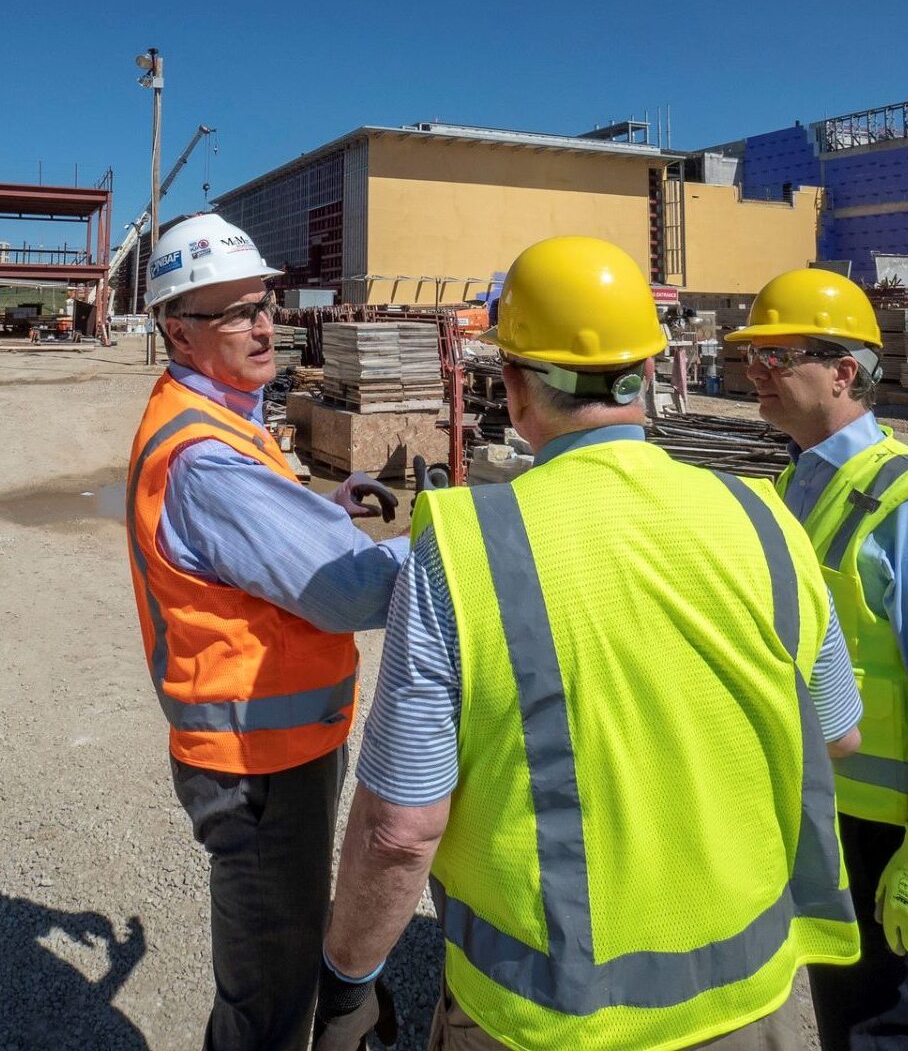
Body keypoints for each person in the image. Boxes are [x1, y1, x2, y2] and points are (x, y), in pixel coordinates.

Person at [314, 236, 865, 1051]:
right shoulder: (766, 519)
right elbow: (838, 733)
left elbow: (400, 828)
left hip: (544, 1019)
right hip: (748, 1003)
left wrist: (347, 980)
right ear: (649, 372)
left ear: (512, 383)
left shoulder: (467, 549)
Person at [124, 212, 408, 1050]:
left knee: (276, 958)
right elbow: (348, 592)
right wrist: (458, 556)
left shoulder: (220, 415)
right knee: (272, 998)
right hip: (258, 761)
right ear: (178, 328)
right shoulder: (206, 455)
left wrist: (313, 511)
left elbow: (244, 543)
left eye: (264, 305)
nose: (264, 325)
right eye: (235, 312)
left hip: (275, 744)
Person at [726, 269, 908, 1049]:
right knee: (838, 1007)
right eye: (751, 356)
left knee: (879, 1027)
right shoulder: (800, 481)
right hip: (818, 803)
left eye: (775, 357)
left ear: (843, 372)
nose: (754, 373)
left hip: (883, 828)